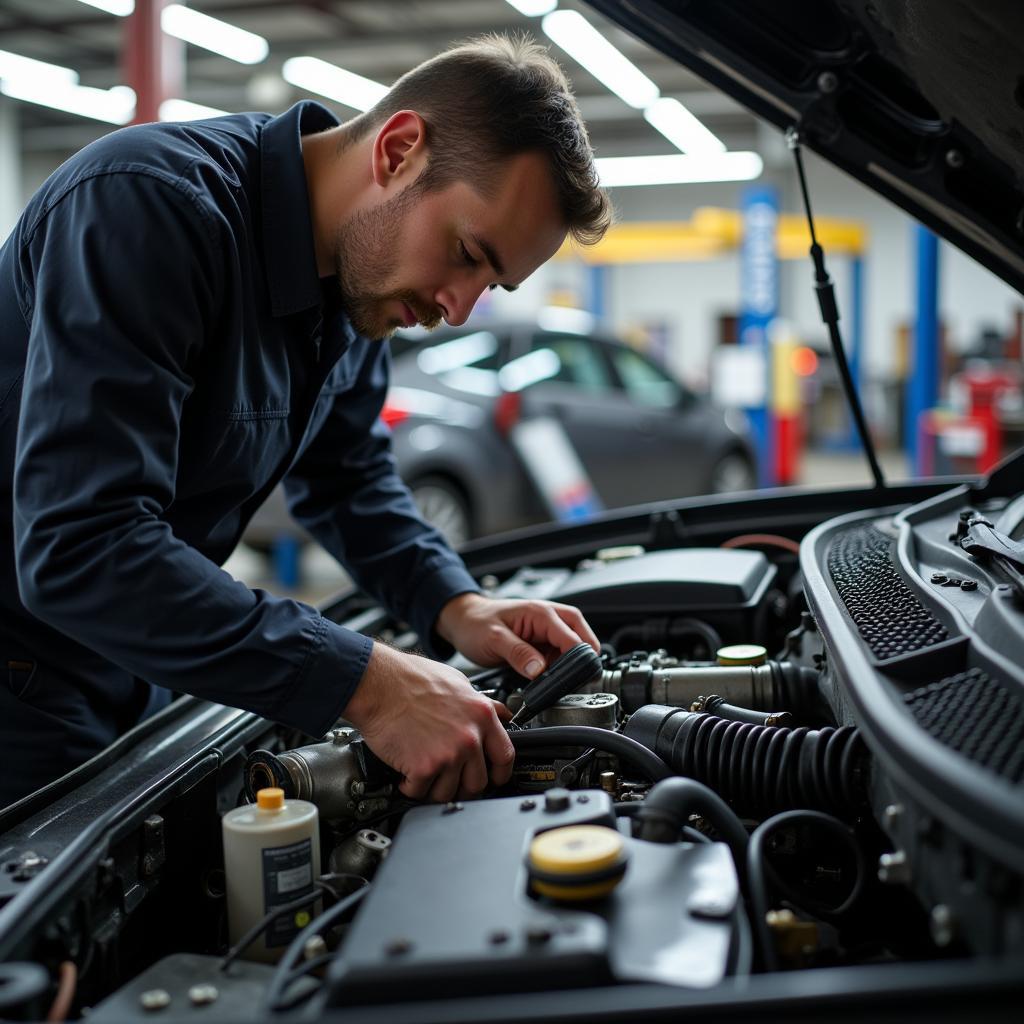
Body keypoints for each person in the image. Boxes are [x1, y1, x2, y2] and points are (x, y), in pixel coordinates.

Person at [0, 34, 612, 808]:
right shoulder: (148, 206)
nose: (457, 307)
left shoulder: (360, 291)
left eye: (491, 285)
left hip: (137, 660)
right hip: (18, 674)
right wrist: (370, 683)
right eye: (466, 252)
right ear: (398, 151)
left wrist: (457, 604)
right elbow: (80, 546)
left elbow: (350, 481)